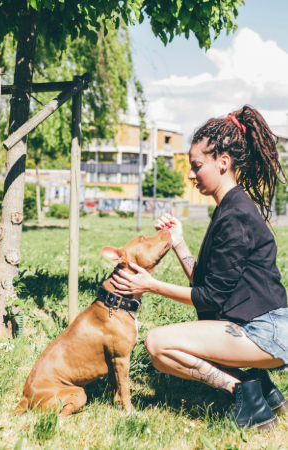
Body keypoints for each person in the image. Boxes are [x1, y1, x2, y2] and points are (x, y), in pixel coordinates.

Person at [111, 106, 288, 431]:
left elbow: (207, 297)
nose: (190, 174)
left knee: (157, 344)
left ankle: (247, 397)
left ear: (223, 162)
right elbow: (209, 289)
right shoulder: (230, 207)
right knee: (198, 326)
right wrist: (178, 243)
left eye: (196, 166)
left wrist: (150, 285)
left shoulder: (234, 216)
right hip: (265, 328)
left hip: (267, 333)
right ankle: (263, 389)